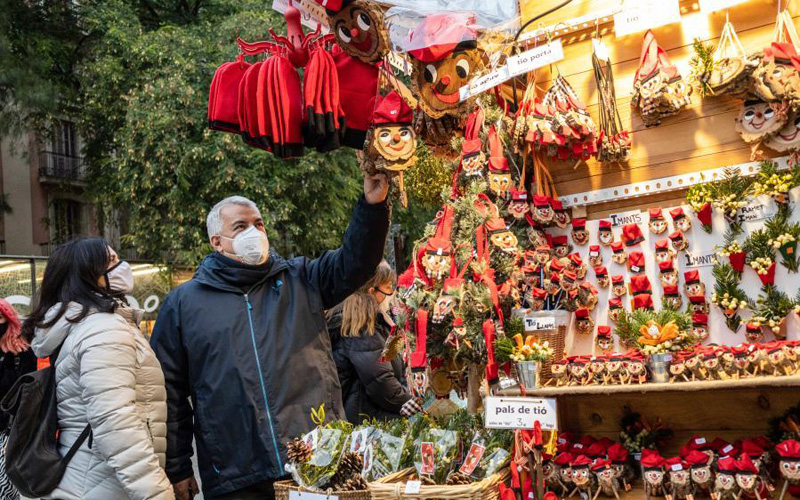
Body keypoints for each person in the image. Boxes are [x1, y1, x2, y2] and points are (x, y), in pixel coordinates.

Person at [150, 172, 389, 500]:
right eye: (240, 226)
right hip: (235, 472)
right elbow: (169, 391)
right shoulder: (183, 304)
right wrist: (177, 467)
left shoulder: (302, 279)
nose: (254, 232)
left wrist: (372, 206)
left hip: (315, 459)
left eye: (258, 224)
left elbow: (357, 261)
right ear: (217, 242)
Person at [26, 238, 174, 500]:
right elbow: (116, 422)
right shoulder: (104, 330)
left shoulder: (87, 325)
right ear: (88, 274)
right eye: (112, 261)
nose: (123, 266)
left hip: (89, 475)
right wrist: (156, 493)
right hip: (102, 482)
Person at [326, 261, 421, 423]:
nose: (392, 293)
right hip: (366, 419)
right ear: (372, 291)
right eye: (388, 287)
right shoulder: (362, 325)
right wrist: (410, 404)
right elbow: (380, 380)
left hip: (367, 414)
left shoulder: (367, 320)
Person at [0, 298, 36, 500]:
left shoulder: (20, 351)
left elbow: (28, 397)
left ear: (8, 319)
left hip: (8, 429)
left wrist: (18, 437)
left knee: (4, 489)